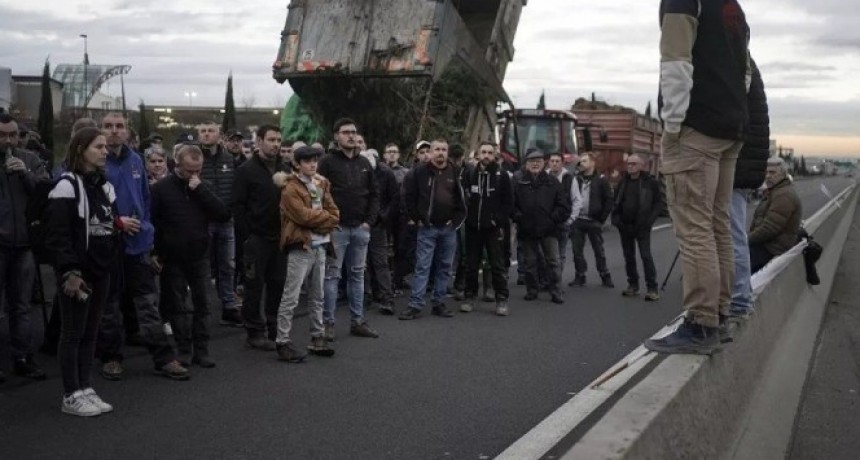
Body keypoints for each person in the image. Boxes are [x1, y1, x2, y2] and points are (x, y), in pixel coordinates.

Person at [645, 0, 750, 355]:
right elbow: (745, 72)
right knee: (718, 224)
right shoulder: (731, 6)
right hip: (731, 127)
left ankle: (701, 321)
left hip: (696, 127)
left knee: (694, 228)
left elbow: (675, 63)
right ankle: (720, 313)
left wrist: (673, 125)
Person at [97, 113, 188, 381]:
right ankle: (111, 357)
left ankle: (164, 358)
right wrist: (116, 222)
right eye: (108, 127)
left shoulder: (136, 160)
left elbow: (146, 200)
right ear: (101, 131)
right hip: (107, 244)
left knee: (148, 304)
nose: (114, 131)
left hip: (137, 245)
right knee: (110, 307)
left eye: (119, 127)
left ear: (127, 131)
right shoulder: (95, 162)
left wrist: (146, 227)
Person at [46, 127, 119, 416]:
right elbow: (58, 235)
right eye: (98, 147)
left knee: (91, 332)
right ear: (80, 150)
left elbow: (111, 228)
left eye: (105, 147)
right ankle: (70, 394)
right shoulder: (67, 185)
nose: (104, 151)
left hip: (102, 270)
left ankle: (85, 386)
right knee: (73, 333)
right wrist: (69, 272)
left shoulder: (104, 185)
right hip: (78, 273)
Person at [151, 145, 231, 368]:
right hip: (172, 256)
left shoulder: (201, 187)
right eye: (189, 171)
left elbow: (223, 214)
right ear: (177, 166)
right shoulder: (161, 189)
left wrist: (201, 190)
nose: (194, 175)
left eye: (198, 170)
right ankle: (183, 348)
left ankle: (202, 350)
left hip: (199, 255)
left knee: (203, 304)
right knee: (177, 306)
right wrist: (154, 252)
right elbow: (153, 222)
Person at [272, 146, 339, 361]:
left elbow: (335, 213)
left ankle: (317, 337)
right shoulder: (290, 188)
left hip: (321, 246)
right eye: (307, 161)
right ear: (297, 164)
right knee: (290, 297)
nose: (312, 164)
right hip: (301, 247)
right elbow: (303, 217)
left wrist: (324, 219)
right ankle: (282, 341)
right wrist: (325, 220)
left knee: (317, 296)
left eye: (314, 160)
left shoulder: (322, 183)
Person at [317, 118, 380, 338]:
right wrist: (328, 221)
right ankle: (328, 324)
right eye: (346, 132)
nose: (351, 136)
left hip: (361, 228)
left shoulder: (364, 163)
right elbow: (318, 194)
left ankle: (357, 322)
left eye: (354, 132)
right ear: (336, 136)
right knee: (332, 276)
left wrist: (369, 221)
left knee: (357, 275)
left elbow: (374, 194)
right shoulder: (326, 162)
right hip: (337, 229)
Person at [232, 124, 291, 350]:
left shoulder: (285, 169)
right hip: (255, 239)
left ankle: (274, 328)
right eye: (271, 140)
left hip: (280, 238)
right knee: (254, 286)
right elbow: (237, 206)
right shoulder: (246, 170)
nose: (276, 144)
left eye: (278, 140)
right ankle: (254, 332)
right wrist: (246, 237)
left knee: (277, 284)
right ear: (259, 142)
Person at [0, 113, 49, 381]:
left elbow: (46, 192)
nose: (8, 140)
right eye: (3, 134)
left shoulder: (29, 158)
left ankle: (22, 357)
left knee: (21, 304)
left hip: (25, 244)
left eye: (13, 134)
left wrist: (26, 174)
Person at [398, 139, 467, 320]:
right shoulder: (419, 172)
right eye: (437, 149)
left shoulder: (455, 171)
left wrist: (455, 220)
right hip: (427, 228)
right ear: (431, 152)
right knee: (422, 267)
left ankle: (439, 303)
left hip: (448, 228)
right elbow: (408, 197)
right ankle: (415, 305)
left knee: (444, 267)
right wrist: (417, 219)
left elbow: (461, 201)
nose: (440, 153)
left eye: (444, 149)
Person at [729, 58, 769, 317]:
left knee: (731, 236)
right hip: (743, 166)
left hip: (737, 166)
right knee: (732, 235)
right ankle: (738, 297)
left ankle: (740, 298)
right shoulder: (746, 65)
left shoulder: (738, 63)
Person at [197, 121, 243, 328]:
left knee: (228, 266)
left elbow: (236, 189)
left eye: (211, 131)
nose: (207, 135)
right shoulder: (193, 158)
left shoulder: (229, 159)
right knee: (203, 268)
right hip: (202, 222)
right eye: (203, 131)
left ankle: (229, 307)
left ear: (219, 135)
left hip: (226, 221)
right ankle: (203, 309)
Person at [459, 141, 513, 316]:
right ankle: (469, 297)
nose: (487, 156)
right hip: (473, 227)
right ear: (478, 154)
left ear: (494, 155)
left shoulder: (502, 175)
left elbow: (508, 203)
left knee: (497, 265)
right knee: (471, 264)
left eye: (490, 153)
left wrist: (497, 221)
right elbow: (463, 197)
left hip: (493, 229)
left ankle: (502, 299)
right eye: (484, 152)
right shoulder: (470, 173)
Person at [512, 150, 570, 304]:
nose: (535, 164)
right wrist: (520, 218)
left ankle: (556, 291)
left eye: (538, 161)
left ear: (544, 163)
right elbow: (512, 205)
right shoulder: (520, 183)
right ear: (526, 164)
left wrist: (552, 219)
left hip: (549, 230)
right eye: (532, 161)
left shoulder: (553, 182)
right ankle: (532, 290)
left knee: (553, 262)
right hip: (527, 230)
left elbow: (563, 206)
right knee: (529, 263)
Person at [612, 154, 663, 300]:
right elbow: (616, 203)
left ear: (641, 166)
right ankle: (633, 285)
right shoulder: (623, 183)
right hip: (625, 226)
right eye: (628, 164)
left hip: (642, 227)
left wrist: (649, 222)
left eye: (634, 164)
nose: (630, 166)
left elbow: (658, 204)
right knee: (629, 257)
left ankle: (652, 288)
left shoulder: (650, 182)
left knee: (646, 256)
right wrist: (617, 221)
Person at [360, 149, 399, 315]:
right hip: (360, 223)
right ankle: (366, 295)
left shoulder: (386, 173)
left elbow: (395, 198)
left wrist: (383, 217)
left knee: (380, 262)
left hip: (377, 224)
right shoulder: (358, 171)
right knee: (361, 263)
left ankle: (386, 297)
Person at [748, 158, 801, 273]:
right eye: (766, 172)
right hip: (767, 245)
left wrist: (747, 240)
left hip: (772, 249)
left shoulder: (784, 195)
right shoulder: (775, 191)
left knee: (736, 268)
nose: (767, 176)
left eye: (772, 173)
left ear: (783, 174)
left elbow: (770, 228)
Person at [570, 152, 614, 288]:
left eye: (584, 161)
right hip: (578, 220)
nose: (581, 164)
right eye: (580, 161)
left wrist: (601, 218)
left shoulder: (601, 179)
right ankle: (580, 275)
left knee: (598, 250)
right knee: (577, 250)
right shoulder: (576, 179)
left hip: (593, 220)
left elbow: (609, 200)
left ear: (592, 163)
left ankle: (604, 274)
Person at [547, 152, 582, 280]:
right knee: (547, 254)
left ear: (562, 163)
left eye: (557, 161)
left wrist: (571, 219)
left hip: (563, 222)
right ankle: (547, 280)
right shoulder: (544, 177)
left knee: (560, 254)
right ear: (548, 163)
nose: (554, 163)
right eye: (552, 161)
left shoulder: (569, 179)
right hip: (547, 223)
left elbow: (577, 200)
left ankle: (556, 281)